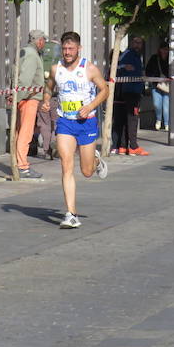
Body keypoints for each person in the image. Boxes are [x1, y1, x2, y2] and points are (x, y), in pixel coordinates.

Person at [42, 31, 109, 229]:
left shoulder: (89, 69)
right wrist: (46, 101)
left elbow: (104, 89)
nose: (67, 52)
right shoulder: (56, 69)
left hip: (86, 122)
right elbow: (49, 87)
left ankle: (95, 160)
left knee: (86, 171)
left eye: (71, 49)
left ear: (79, 48)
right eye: (64, 49)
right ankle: (71, 214)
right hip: (65, 122)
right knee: (66, 164)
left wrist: (90, 106)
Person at [14, 30, 46, 178]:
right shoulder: (32, 55)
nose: (44, 44)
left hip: (23, 97)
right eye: (44, 41)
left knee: (19, 132)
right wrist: (19, 97)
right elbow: (26, 80)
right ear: (39, 41)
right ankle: (22, 167)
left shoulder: (24, 52)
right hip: (28, 98)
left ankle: (17, 164)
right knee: (25, 134)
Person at [115, 36, 149, 155]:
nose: (137, 45)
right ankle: (133, 146)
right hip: (130, 90)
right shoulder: (127, 53)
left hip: (135, 90)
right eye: (135, 42)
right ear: (131, 43)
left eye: (139, 43)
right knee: (133, 118)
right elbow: (116, 65)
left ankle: (124, 146)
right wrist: (124, 67)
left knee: (127, 118)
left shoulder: (137, 56)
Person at [32, 39, 60, 159]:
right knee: (56, 121)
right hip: (56, 95)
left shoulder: (39, 59)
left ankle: (46, 149)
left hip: (41, 95)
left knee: (44, 123)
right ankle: (54, 143)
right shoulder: (59, 61)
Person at [145, 40, 170, 131]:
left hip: (167, 86)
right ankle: (158, 120)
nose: (165, 51)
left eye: (166, 50)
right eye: (163, 49)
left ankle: (167, 124)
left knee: (166, 106)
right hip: (156, 85)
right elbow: (148, 70)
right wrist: (153, 78)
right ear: (159, 50)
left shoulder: (170, 60)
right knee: (157, 104)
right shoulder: (154, 58)